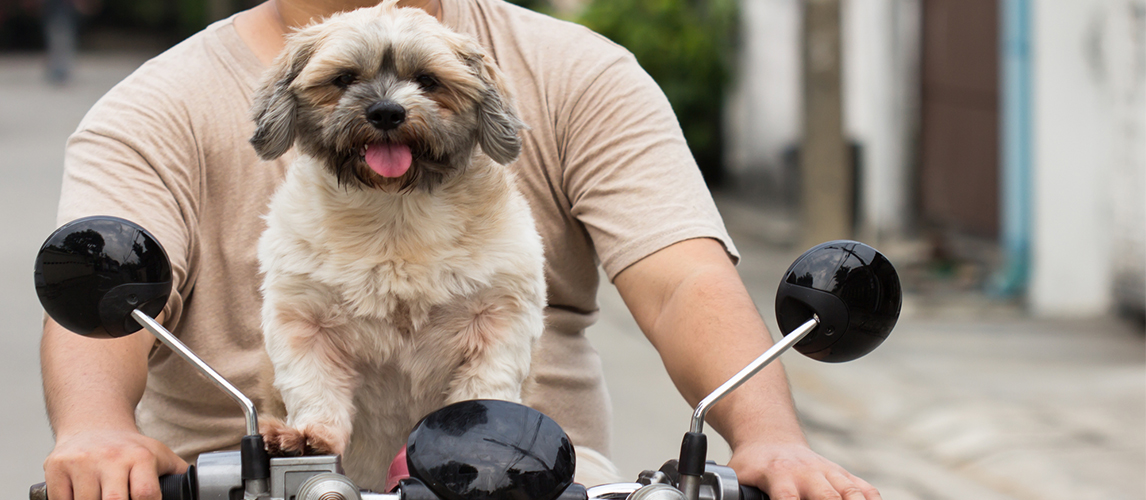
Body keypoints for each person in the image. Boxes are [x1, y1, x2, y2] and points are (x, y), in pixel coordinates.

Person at [40, 0, 882, 499]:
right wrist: (95, 428)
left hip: (534, 482)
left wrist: (767, 434)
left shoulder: (578, 72)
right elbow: (102, 284)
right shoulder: (153, 107)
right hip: (253, 481)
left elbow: (679, 276)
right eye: (341, 85)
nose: (384, 106)